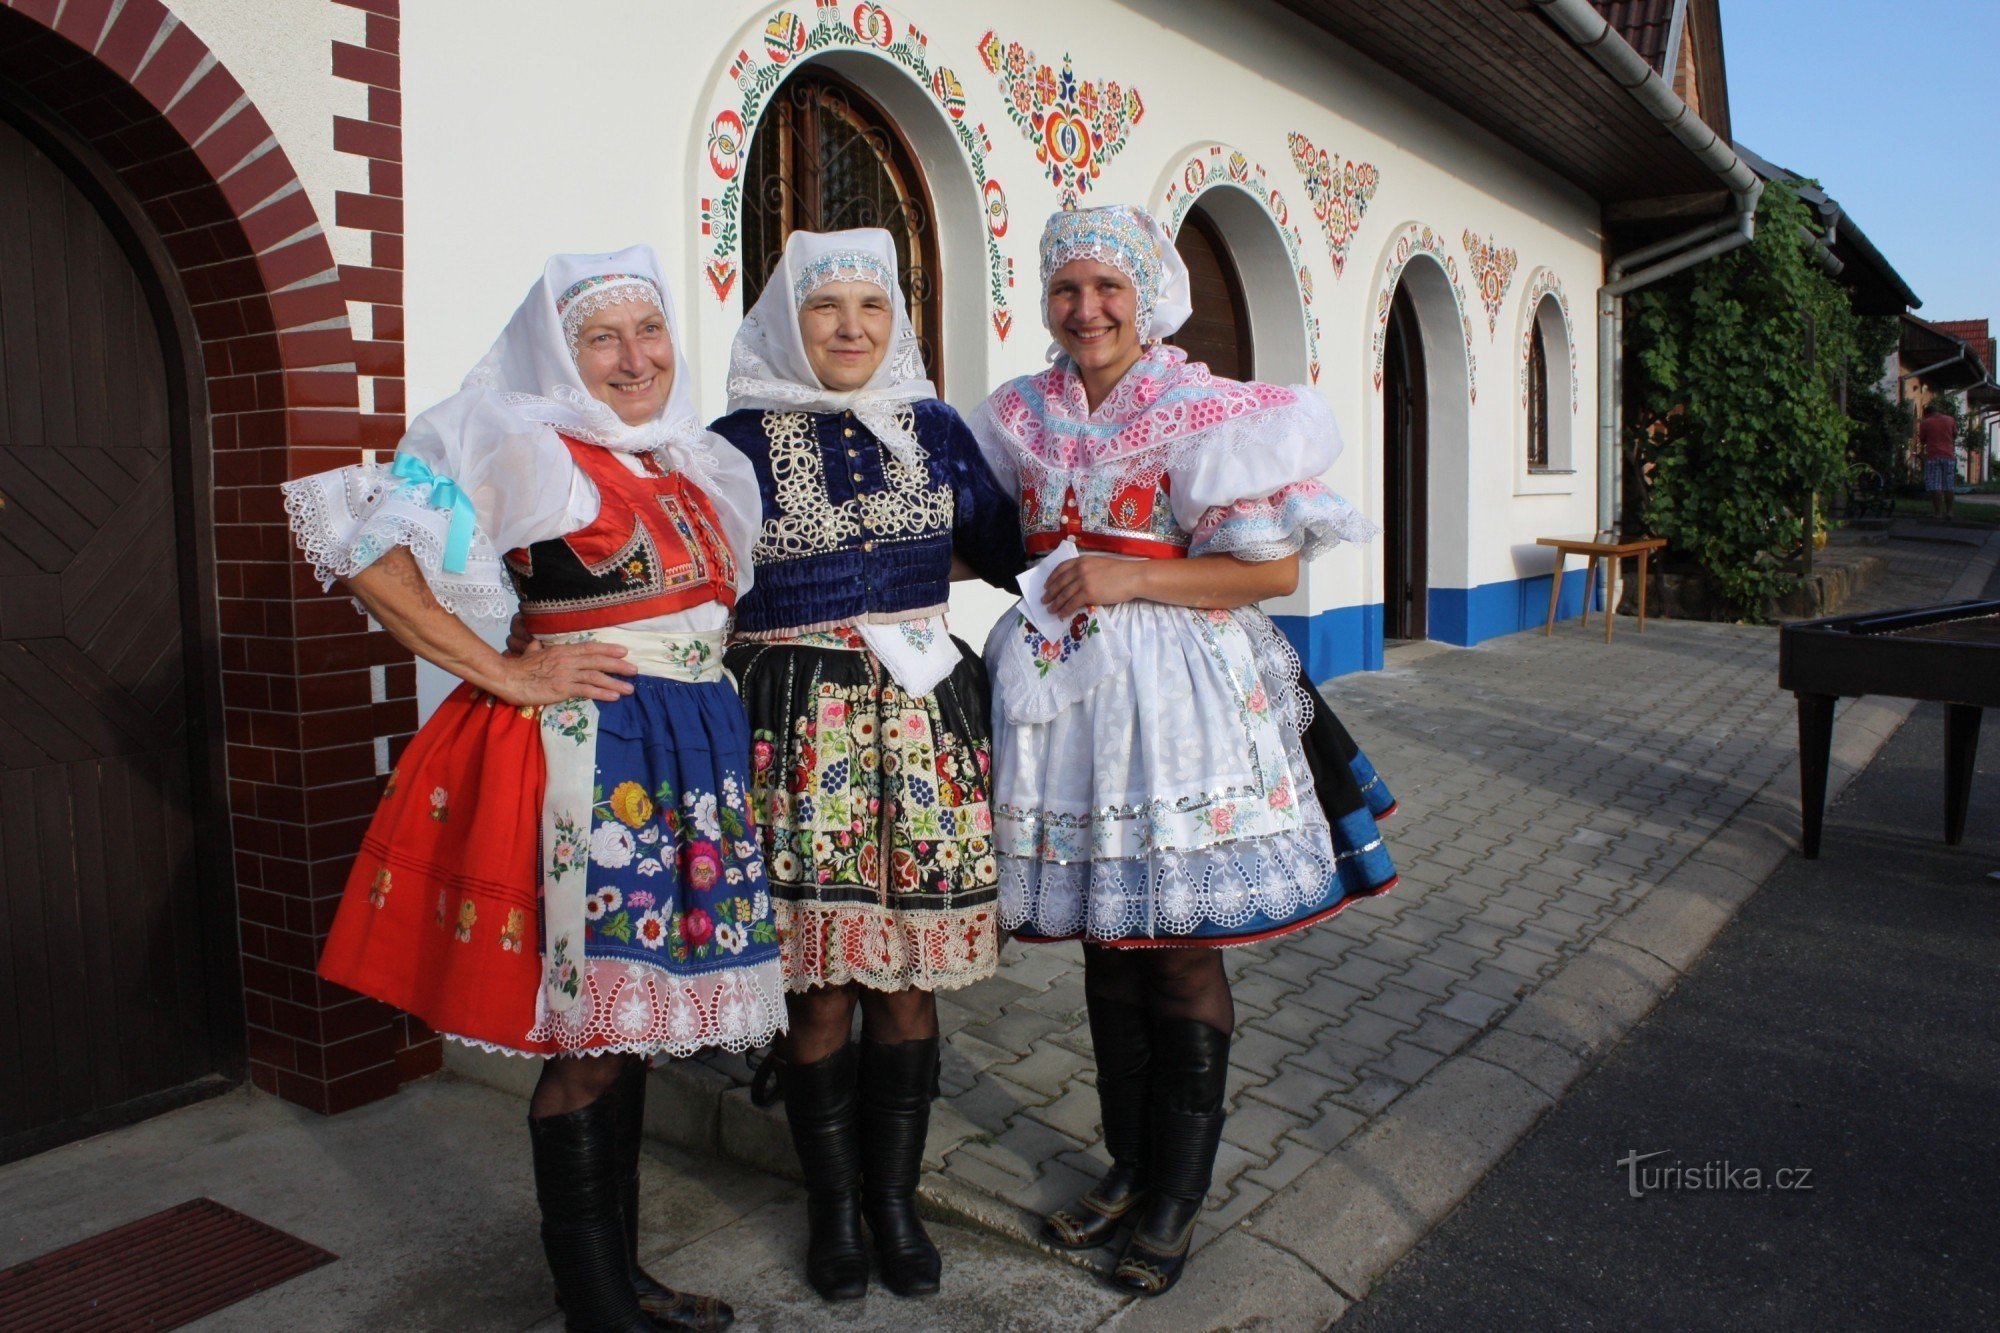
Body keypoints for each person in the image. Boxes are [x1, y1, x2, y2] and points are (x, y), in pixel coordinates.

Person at [281, 248, 769, 1332]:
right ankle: (593, 1306)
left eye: (648, 331)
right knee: (588, 1042)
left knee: (627, 1031)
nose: (633, 357)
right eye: (602, 338)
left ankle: (621, 1282)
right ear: (561, 353)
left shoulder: (684, 457)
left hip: (682, 760)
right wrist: (507, 670)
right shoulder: (521, 444)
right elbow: (366, 548)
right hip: (591, 770)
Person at [970, 206, 1398, 1297]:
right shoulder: (1018, 411)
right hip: (1068, 712)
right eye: (1066, 289)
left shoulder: (1203, 409)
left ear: (1147, 294)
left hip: (1177, 707)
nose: (1086, 310)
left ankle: (1175, 1198)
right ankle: (1126, 1164)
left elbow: (1267, 578)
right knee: (1103, 948)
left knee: (1175, 951)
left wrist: (1129, 574)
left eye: (1107, 288)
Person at [706, 228, 1026, 1301]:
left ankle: (894, 1201)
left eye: (871, 308)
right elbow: (692, 583)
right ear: (783, 323)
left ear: (896, 321)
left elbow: (1006, 539)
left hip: (922, 726)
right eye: (824, 308)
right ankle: (833, 1207)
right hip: (794, 731)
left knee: (906, 985)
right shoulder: (732, 441)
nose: (850, 328)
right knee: (823, 991)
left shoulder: (932, 428)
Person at [1919, 401, 1959, 522]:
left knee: (1936, 485)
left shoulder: (1926, 422)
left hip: (1933, 456)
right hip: (1949, 455)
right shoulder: (1950, 420)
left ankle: (1938, 513)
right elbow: (1955, 435)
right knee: (1949, 485)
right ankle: (1950, 512)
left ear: (1926, 414)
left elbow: (1923, 440)